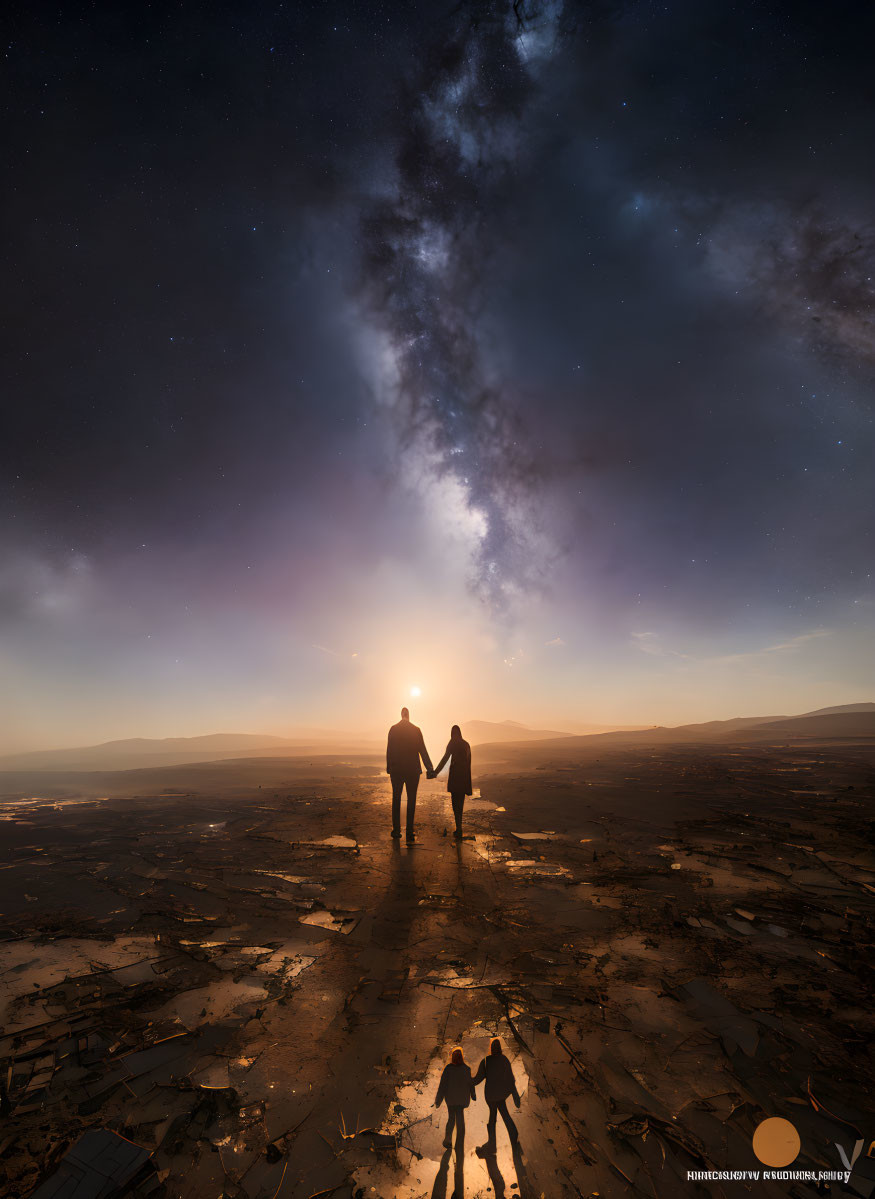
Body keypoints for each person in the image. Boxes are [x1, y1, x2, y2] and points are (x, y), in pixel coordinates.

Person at [386, 707, 433, 842]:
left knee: (396, 799)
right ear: (409, 715)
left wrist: (389, 767)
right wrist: (429, 768)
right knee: (411, 800)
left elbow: (389, 750)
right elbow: (422, 750)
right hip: (413, 770)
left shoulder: (393, 729)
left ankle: (396, 831)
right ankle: (410, 832)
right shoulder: (416, 730)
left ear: (401, 715)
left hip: (397, 770)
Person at [473, 1038, 520, 1153]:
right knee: (504, 1115)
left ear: (492, 1048)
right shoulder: (504, 1060)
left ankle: (492, 1145)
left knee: (493, 1118)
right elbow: (510, 1079)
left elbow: (477, 1079)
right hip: (500, 1095)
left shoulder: (486, 1061)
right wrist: (515, 1095)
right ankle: (514, 1139)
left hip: (491, 1096)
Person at [432, 724, 472, 840]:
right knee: (460, 804)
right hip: (464, 778)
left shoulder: (453, 743)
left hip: (455, 778)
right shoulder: (466, 744)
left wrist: (435, 772)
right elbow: (468, 764)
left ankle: (458, 828)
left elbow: (445, 758)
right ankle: (459, 828)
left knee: (455, 804)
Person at [434, 1047, 475, 1150]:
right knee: (460, 1118)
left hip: (451, 1099)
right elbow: (471, 1084)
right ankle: (460, 1142)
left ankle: (448, 1140)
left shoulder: (448, 1069)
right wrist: (473, 1095)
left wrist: (438, 1100)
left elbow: (442, 1085)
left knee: (451, 1118)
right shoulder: (466, 1069)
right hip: (462, 1099)